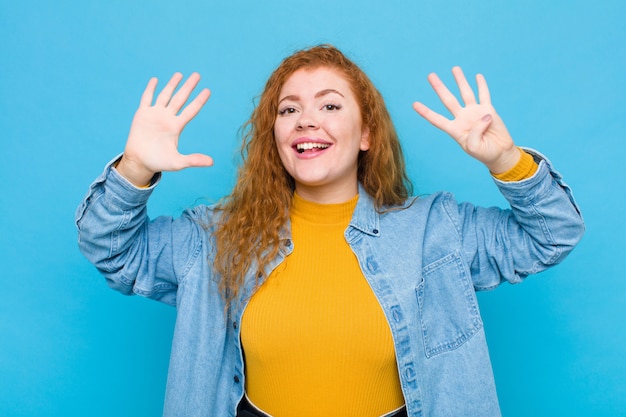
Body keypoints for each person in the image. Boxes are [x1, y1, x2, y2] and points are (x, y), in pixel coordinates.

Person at [75, 45, 584, 417]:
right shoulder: (213, 238)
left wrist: (506, 160)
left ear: (366, 134)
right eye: (289, 109)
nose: (305, 121)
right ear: (273, 135)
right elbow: (112, 250)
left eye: (330, 105)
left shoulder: (435, 230)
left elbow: (552, 234)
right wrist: (135, 168)